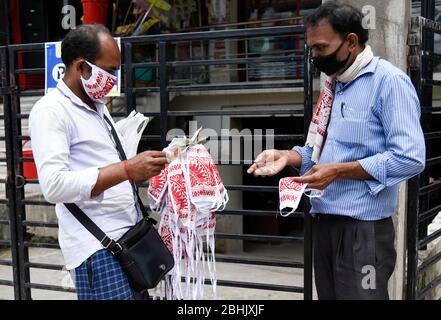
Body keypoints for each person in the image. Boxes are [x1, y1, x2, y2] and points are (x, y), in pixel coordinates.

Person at [248, 1, 426, 300]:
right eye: (311, 49)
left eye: (320, 48)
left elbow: (410, 158)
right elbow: (320, 156)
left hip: (363, 232)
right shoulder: (334, 85)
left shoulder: (389, 83)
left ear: (351, 41)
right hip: (325, 222)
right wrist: (288, 156)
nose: (314, 56)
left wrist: (339, 172)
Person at [29, 24, 168, 300]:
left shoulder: (98, 107)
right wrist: (127, 169)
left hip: (129, 240)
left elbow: (108, 168)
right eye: (110, 70)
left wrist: (143, 168)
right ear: (81, 67)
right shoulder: (51, 112)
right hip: (97, 248)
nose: (115, 79)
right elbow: (54, 186)